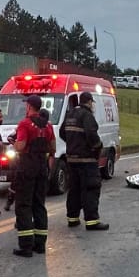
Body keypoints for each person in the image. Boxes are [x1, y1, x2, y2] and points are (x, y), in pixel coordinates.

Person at [13, 94, 55, 257]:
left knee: (23, 206)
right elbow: (53, 148)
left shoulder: (25, 124)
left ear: (29, 107)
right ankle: (40, 244)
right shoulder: (48, 126)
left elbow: (21, 145)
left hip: (27, 167)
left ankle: (26, 246)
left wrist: (15, 143)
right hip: (41, 168)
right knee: (39, 205)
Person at [60, 90, 109, 231]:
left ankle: (73, 219)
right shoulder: (87, 115)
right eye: (92, 103)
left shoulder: (70, 114)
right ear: (89, 102)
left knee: (74, 190)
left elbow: (62, 133)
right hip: (87, 160)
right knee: (91, 189)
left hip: (72, 160)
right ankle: (92, 221)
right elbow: (91, 134)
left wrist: (72, 143)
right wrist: (97, 147)